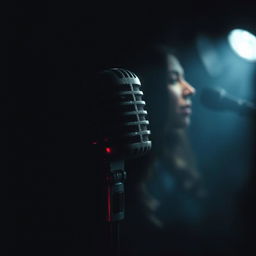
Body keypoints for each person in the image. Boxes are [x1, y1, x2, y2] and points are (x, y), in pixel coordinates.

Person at [121, 45, 207, 256]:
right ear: (148, 89)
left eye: (183, 78)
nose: (189, 90)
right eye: (173, 80)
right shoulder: (124, 170)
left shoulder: (172, 160)